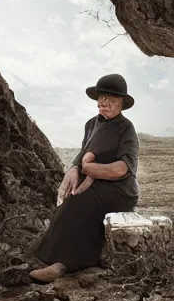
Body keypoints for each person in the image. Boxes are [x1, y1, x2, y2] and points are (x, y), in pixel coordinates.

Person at [29, 74, 140, 284]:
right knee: (68, 198)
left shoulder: (126, 128)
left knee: (81, 202)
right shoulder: (91, 124)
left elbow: (122, 169)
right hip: (96, 182)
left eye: (111, 99)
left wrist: (89, 169)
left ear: (122, 104)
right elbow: (83, 152)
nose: (104, 103)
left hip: (120, 189)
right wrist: (73, 169)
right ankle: (45, 256)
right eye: (102, 98)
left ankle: (66, 263)